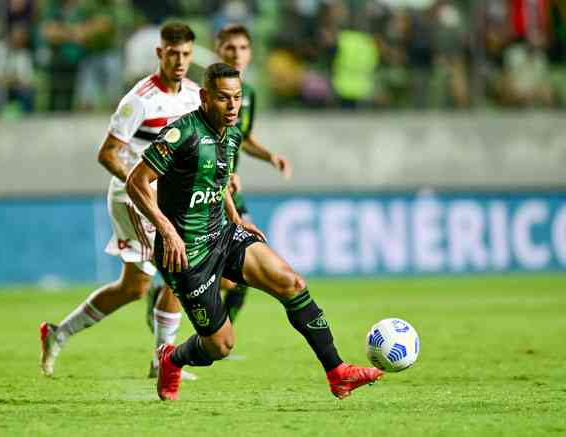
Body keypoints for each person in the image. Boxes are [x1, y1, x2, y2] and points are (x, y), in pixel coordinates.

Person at [125, 62, 383, 401]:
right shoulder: (182, 133)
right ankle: (172, 358)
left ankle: (337, 373)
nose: (232, 106)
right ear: (204, 97)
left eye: (236, 97)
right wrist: (167, 231)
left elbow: (218, 183)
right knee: (221, 346)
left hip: (224, 233)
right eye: (222, 98)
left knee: (291, 282)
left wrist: (237, 217)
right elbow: (136, 182)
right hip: (188, 253)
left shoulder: (231, 134)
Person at [39, 22, 200, 381]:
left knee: (134, 288)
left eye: (186, 54)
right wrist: (141, 184)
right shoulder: (139, 100)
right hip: (134, 196)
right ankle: (164, 361)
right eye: (172, 53)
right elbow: (107, 153)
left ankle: (57, 333)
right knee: (180, 270)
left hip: (167, 197)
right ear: (160, 53)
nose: (179, 60)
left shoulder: (193, 95)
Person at [214, 24, 293, 324]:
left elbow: (243, 138)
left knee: (247, 264)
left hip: (233, 191)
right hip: (208, 188)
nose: (237, 54)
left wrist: (270, 156)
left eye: (243, 48)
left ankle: (222, 337)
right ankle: (166, 296)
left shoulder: (248, 94)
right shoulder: (202, 91)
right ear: (218, 49)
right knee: (228, 276)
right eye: (230, 48)